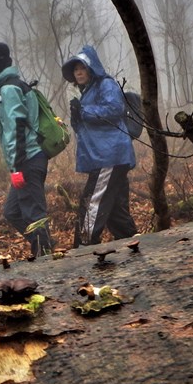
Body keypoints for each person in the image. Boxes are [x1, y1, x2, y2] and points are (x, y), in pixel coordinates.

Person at [0, 42, 52, 257]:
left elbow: (16, 127)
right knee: (13, 211)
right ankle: (45, 248)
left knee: (33, 214)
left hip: (27, 160)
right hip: (27, 159)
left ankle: (46, 257)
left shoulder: (9, 89)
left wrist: (17, 167)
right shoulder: (11, 86)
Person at [61, 45, 137, 247]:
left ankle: (82, 248)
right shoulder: (88, 93)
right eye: (75, 69)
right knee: (114, 210)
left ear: (92, 68)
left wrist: (83, 111)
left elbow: (114, 109)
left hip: (110, 156)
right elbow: (85, 129)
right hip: (107, 156)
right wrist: (76, 116)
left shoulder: (105, 85)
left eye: (82, 68)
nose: (78, 72)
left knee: (92, 202)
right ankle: (131, 244)